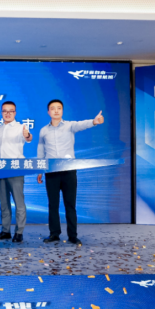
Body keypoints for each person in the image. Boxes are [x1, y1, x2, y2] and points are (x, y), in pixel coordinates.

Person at [37, 99, 104, 246]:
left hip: (69, 171)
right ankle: (54, 234)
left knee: (70, 204)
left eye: (59, 108)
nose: (56, 111)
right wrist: (40, 170)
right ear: (48, 112)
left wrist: (94, 121)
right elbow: (41, 151)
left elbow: (82, 124)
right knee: (53, 205)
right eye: (53, 108)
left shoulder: (70, 125)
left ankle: (73, 235)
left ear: (62, 111)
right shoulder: (43, 131)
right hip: (51, 171)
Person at [0, 101, 32, 243]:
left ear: (15, 113)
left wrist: (27, 135)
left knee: (18, 202)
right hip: (0, 168)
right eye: (5, 111)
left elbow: (28, 138)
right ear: (1, 113)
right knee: (4, 202)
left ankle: (19, 232)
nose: (8, 113)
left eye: (11, 111)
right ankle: (6, 231)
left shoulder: (21, 127)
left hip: (15, 168)